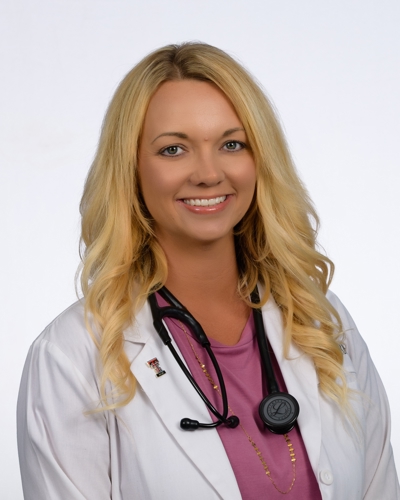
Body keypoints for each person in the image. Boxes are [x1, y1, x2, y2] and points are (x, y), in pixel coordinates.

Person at [17, 42, 399, 500]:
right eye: (173, 149)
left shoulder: (321, 321)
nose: (208, 173)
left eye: (231, 144)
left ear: (260, 159)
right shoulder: (72, 356)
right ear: (131, 169)